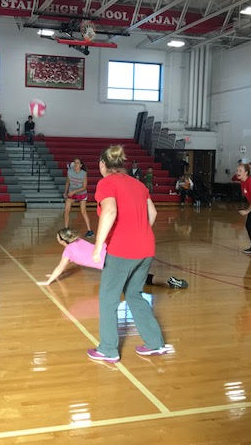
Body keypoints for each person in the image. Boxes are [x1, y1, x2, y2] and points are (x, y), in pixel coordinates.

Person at [88, 145, 170, 363]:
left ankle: (108, 349)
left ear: (102, 165)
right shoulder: (138, 183)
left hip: (122, 250)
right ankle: (155, 344)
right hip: (146, 248)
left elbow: (110, 211)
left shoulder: (106, 183)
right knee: (134, 294)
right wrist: (140, 233)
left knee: (108, 298)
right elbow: (152, 212)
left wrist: (97, 247)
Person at [36, 228, 189, 289]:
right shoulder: (77, 241)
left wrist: (49, 281)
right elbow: (62, 266)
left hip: (112, 263)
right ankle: (170, 281)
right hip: (114, 251)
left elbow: (61, 265)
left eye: (57, 238)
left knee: (136, 281)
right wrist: (56, 274)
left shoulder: (68, 251)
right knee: (141, 276)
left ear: (63, 241)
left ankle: (167, 282)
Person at [63, 158, 93, 237]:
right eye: (74, 162)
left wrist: (74, 192)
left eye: (77, 163)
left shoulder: (83, 173)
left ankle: (90, 231)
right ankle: (66, 229)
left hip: (81, 193)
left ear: (80, 165)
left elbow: (84, 187)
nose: (76, 164)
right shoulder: (70, 171)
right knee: (66, 210)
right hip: (72, 193)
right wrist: (65, 192)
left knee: (83, 211)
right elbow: (67, 182)